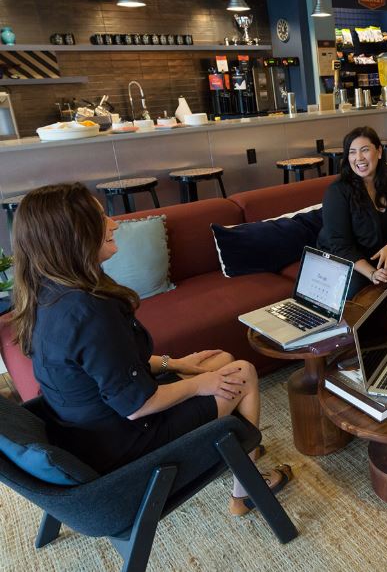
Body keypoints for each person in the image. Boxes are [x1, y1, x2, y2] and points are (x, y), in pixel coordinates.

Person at [9, 183, 291, 516]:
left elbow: (111, 366)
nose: (113, 224)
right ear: (71, 235)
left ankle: (239, 458)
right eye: (100, 218)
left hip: (87, 432)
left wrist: (178, 363)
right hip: (126, 444)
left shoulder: (48, 294)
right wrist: (201, 384)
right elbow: (137, 405)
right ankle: (245, 491)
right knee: (242, 373)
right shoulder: (89, 311)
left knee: (221, 360)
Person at [318, 126, 387, 297]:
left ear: (379, 151)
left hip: (386, 252)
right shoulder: (337, 191)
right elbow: (341, 247)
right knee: (356, 289)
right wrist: (372, 273)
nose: (358, 158)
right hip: (352, 259)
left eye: (365, 150)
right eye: (352, 152)